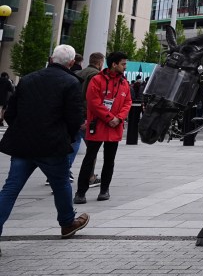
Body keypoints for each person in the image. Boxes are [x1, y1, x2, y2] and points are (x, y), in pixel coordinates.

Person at [0, 44, 90, 248]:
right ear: (71, 62)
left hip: (23, 144)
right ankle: (67, 223)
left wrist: (21, 130)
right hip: (52, 144)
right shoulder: (71, 82)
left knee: (10, 188)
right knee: (61, 184)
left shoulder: (28, 79)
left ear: (51, 59)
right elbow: (74, 118)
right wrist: (66, 136)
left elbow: (11, 112)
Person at [74, 52, 132, 205]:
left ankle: (104, 189)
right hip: (98, 126)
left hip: (114, 127)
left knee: (109, 160)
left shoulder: (124, 83)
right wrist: (109, 118)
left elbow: (127, 102)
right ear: (114, 64)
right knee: (89, 158)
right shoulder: (97, 80)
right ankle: (81, 192)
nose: (125, 67)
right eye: (123, 64)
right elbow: (93, 102)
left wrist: (118, 118)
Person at [69, 52, 105, 187]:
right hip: (87, 117)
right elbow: (91, 98)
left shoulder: (78, 73)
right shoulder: (96, 75)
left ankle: (64, 172)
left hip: (74, 115)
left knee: (72, 145)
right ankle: (90, 176)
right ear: (100, 62)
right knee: (92, 149)